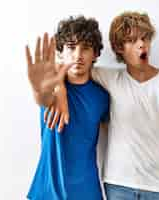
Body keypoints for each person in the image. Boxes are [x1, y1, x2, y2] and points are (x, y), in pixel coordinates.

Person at [46, 11, 159, 200]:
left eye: (145, 38)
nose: (142, 44)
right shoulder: (110, 78)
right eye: (132, 40)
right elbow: (62, 63)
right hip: (119, 185)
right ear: (119, 48)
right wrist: (59, 89)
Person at [25, 16, 109, 200]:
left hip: (87, 193)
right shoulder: (51, 87)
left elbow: (121, 133)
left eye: (85, 48)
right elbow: (42, 98)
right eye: (71, 47)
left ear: (95, 54)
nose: (78, 55)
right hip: (46, 192)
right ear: (61, 52)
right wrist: (42, 88)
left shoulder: (102, 97)